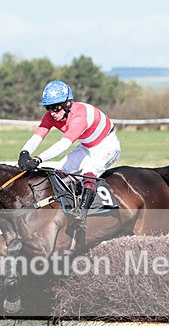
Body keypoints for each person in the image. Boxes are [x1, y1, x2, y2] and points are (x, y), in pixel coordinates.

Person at [17, 80, 121, 226]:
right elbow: (38, 135)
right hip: (86, 146)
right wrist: (25, 152)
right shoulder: (52, 115)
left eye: (56, 107)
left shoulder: (79, 116)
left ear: (67, 104)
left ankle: (82, 215)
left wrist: (39, 159)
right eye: (48, 108)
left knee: (89, 170)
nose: (52, 113)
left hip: (107, 145)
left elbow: (64, 144)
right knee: (59, 171)